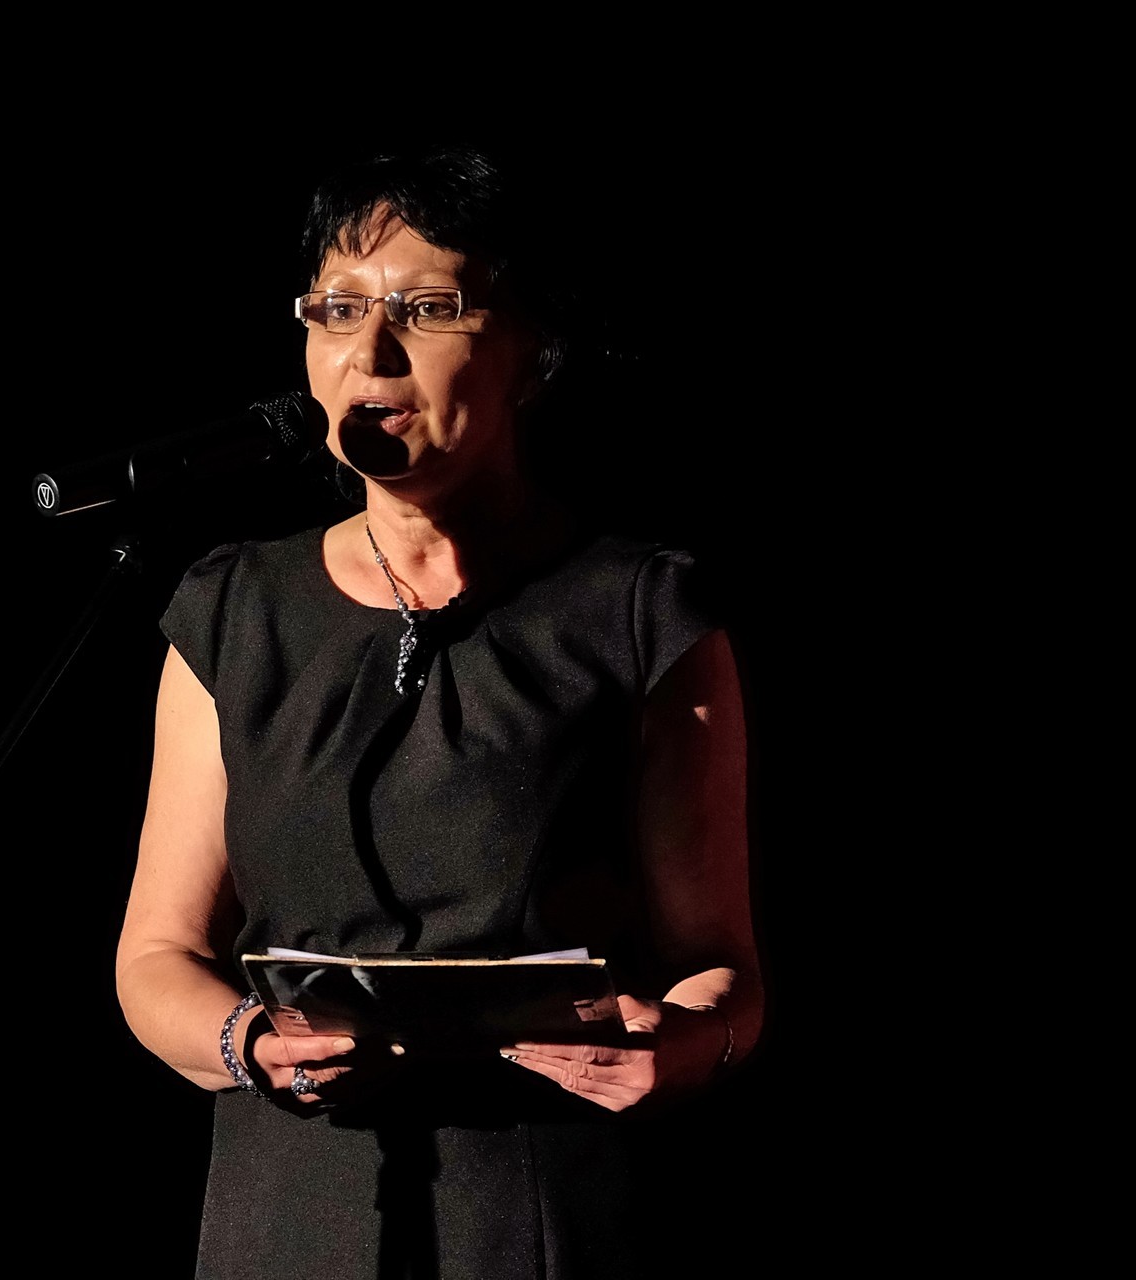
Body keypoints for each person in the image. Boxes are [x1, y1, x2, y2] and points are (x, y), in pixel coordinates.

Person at [114, 143, 763, 1279]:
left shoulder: (641, 611)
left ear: (533, 353)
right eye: (336, 308)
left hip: (547, 1204)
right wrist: (247, 1039)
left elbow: (723, 966)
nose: (369, 351)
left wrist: (690, 1040)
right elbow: (157, 954)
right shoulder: (233, 609)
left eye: (425, 308)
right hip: (290, 1209)